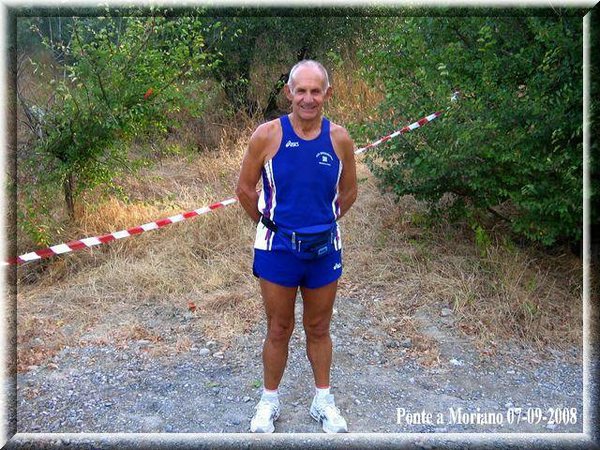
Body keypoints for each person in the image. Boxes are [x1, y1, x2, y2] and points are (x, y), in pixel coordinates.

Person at [235, 60, 358, 433]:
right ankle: (268, 401)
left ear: (327, 94)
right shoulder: (267, 135)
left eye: (315, 91)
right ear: (289, 92)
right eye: (300, 90)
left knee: (319, 327)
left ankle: (323, 401)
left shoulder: (339, 139)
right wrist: (270, 225)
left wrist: (320, 223)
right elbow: (245, 189)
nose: (308, 98)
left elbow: (349, 193)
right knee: (279, 327)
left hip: (324, 249)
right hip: (277, 249)